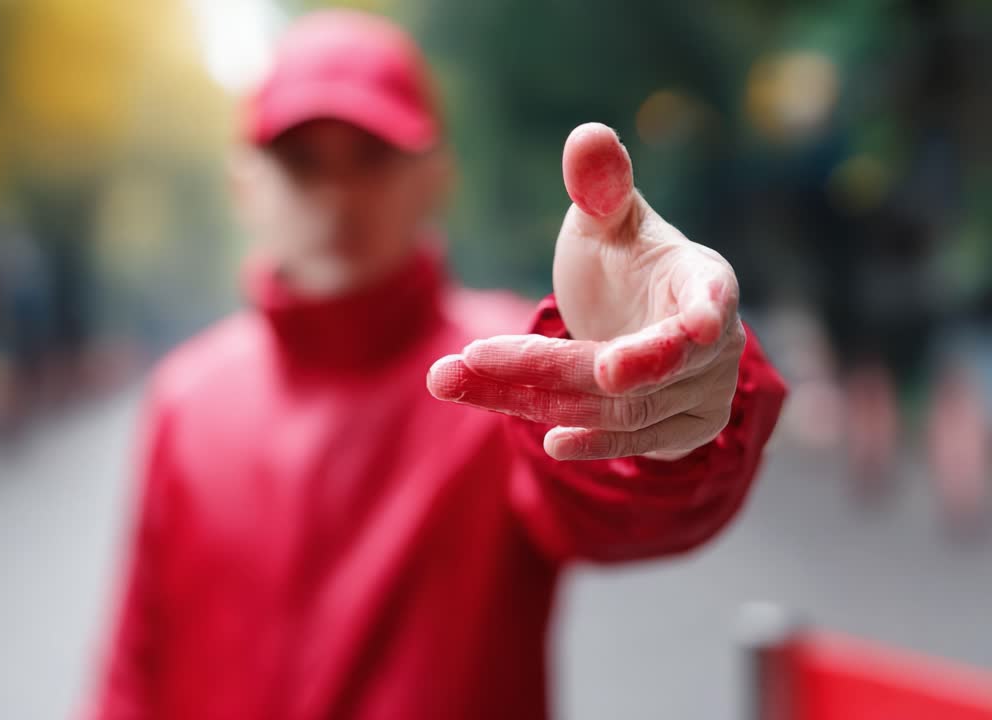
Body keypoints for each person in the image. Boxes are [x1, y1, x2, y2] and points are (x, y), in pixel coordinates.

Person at [90, 10, 786, 719]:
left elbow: (636, 496)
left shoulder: (504, 372)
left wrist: (669, 377)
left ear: (435, 178)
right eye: (303, 162)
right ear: (245, 185)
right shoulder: (186, 401)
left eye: (371, 157)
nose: (338, 193)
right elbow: (135, 670)